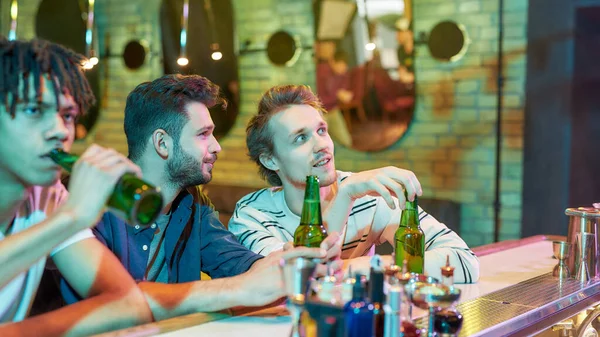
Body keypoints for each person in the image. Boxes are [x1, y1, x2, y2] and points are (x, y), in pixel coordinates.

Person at [61, 74, 342, 321]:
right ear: (162, 143)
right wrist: (239, 289)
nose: (216, 146)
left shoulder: (192, 205)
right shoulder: (87, 201)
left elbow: (238, 263)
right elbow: (112, 300)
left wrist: (291, 262)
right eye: (203, 135)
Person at [228, 84, 480, 283]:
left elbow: (464, 261)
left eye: (322, 130)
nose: (322, 145)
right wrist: (345, 196)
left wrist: (366, 267)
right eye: (300, 138)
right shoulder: (252, 215)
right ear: (270, 159)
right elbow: (298, 280)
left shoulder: (369, 195)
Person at [0, 38, 153, 336]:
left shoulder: (46, 193)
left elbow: (129, 306)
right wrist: (70, 218)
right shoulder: (61, 209)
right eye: (34, 110)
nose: (60, 130)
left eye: (67, 115)